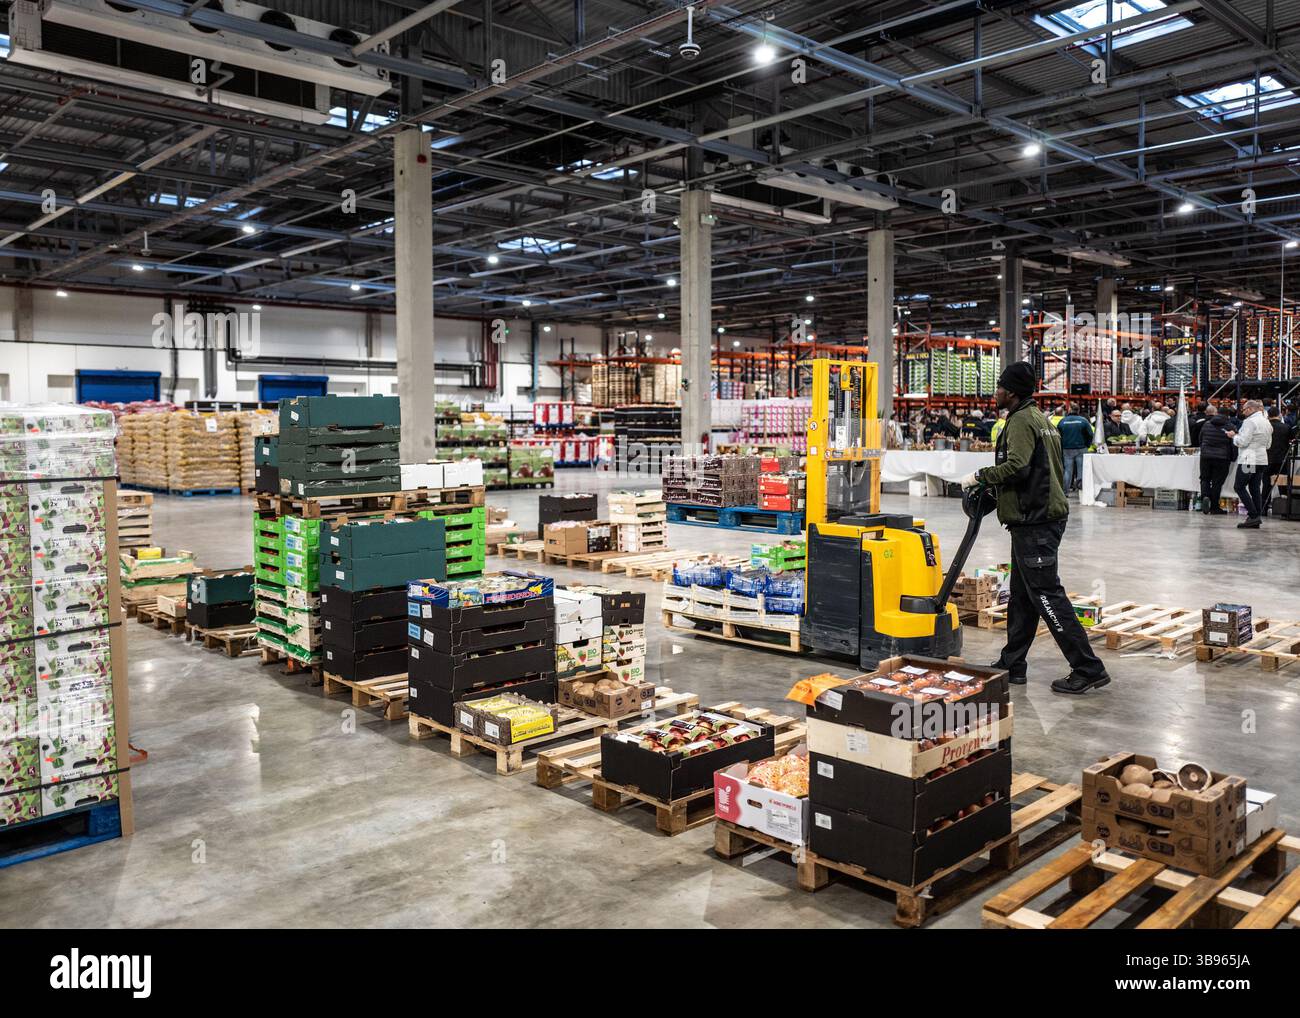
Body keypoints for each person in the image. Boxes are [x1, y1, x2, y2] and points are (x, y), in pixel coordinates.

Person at [958, 362, 1111, 695]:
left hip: (1036, 521)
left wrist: (981, 476)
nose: (995, 392)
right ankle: (1013, 663)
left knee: (1046, 595)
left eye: (1000, 386)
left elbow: (1018, 467)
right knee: (1024, 596)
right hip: (1035, 517)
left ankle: (1088, 668)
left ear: (1011, 392)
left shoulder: (1021, 421)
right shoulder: (1041, 419)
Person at [1227, 400, 1271, 528]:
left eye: (1245, 409)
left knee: (1239, 487)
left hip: (1249, 458)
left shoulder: (1249, 422)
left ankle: (1253, 515)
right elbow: (1268, 444)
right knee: (1255, 488)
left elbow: (1243, 442)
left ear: (1251, 409)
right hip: (1262, 458)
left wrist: (1233, 436)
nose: (1243, 412)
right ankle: (1256, 516)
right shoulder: (1266, 422)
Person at [1198, 411, 1235, 514]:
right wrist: (1233, 457)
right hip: (1222, 457)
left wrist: (1204, 449)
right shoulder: (1230, 426)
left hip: (1205, 456)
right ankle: (1214, 507)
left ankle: (1205, 496)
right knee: (1217, 483)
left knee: (1204, 479)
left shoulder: (1207, 424)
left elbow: (1200, 438)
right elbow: (1234, 443)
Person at [1055, 403, 1094, 493]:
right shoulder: (1083, 421)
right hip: (1081, 448)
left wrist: (1061, 446)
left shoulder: (1062, 421)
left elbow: (1058, 435)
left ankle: (1065, 492)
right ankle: (1081, 491)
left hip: (1067, 449)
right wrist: (1087, 444)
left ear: (1069, 410)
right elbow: (1090, 434)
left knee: (1068, 471)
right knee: (1081, 470)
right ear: (1078, 410)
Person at [1263, 406, 1294, 515]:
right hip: (1282, 460)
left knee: (1266, 484)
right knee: (1283, 484)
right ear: (1279, 414)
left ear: (1268, 415)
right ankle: (1284, 510)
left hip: (1267, 459)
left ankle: (1263, 508)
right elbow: (1291, 442)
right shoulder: (1286, 427)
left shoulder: (1265, 427)